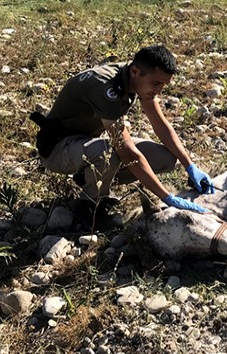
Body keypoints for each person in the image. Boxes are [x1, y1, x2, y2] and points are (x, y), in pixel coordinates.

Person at [31, 44, 213, 226]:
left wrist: (190, 166)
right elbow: (126, 151)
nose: (159, 91)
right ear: (135, 71)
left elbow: (161, 125)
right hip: (58, 149)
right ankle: (90, 206)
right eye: (156, 84)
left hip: (86, 143)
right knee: (110, 151)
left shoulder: (136, 77)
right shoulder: (107, 87)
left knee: (165, 159)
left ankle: (91, 178)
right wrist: (167, 197)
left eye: (164, 85)